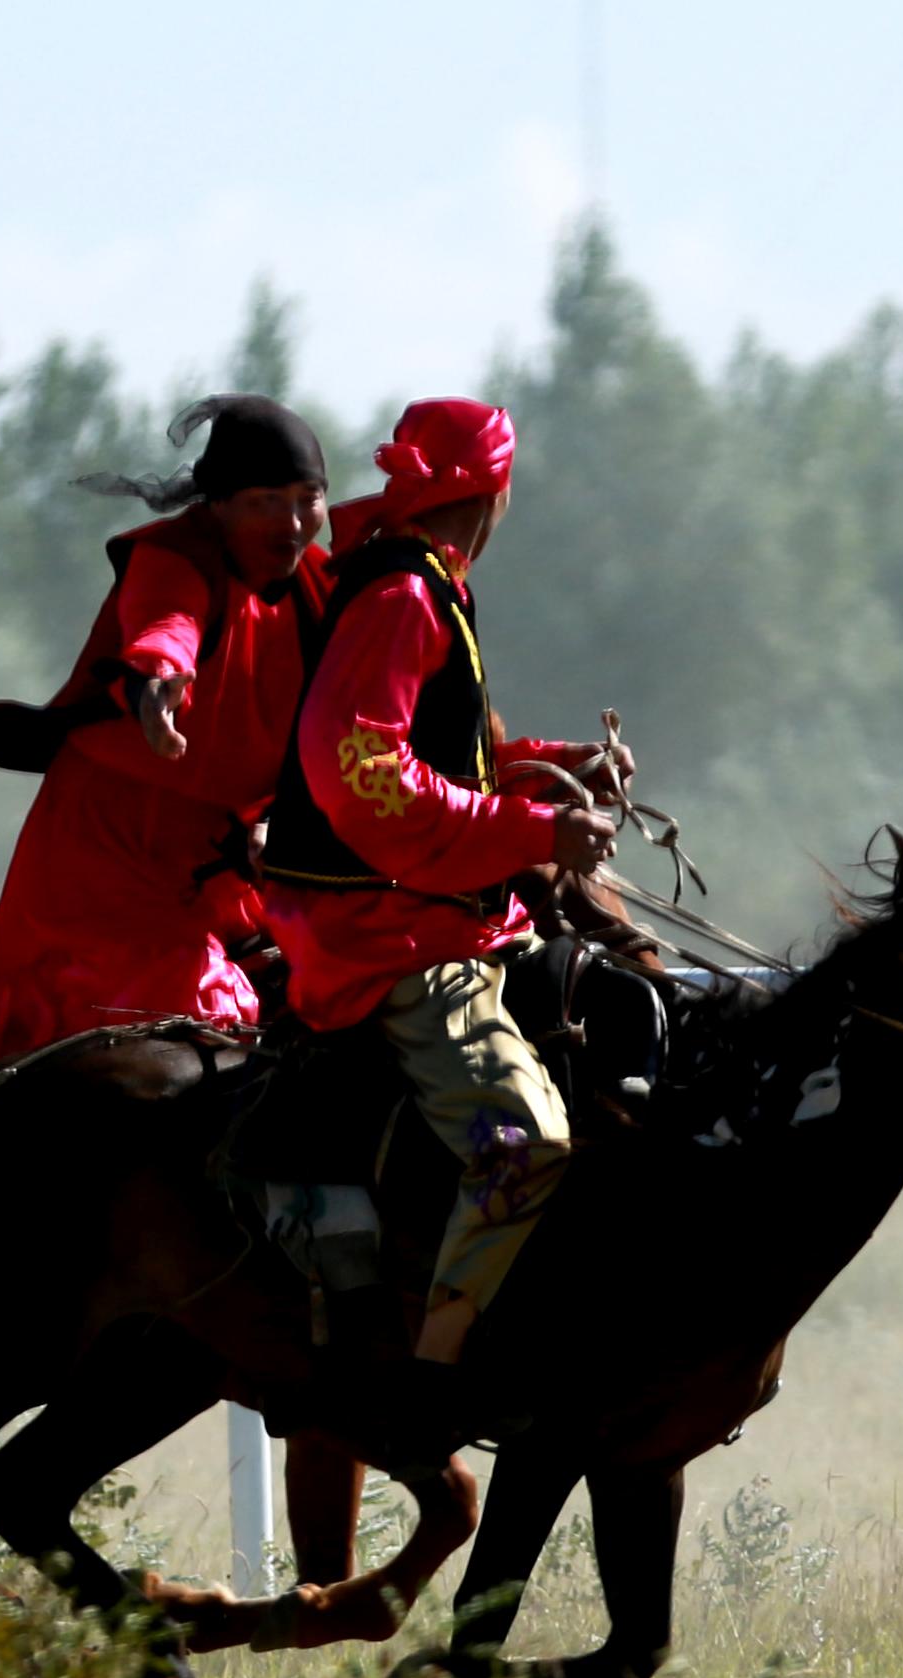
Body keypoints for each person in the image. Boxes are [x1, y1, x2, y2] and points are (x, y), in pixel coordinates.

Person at [259, 398, 620, 1399]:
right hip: (385, 931)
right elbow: (365, 774)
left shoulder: (426, 587)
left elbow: (443, 759)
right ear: (493, 494)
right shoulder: (406, 599)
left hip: (418, 906)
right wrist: (538, 834)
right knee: (530, 1143)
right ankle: (433, 1381)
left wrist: (556, 768)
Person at [0, 396, 332, 1067]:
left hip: (221, 871)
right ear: (219, 503)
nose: (291, 523)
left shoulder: (321, 588)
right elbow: (165, 625)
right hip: (108, 852)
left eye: (307, 498)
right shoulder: (177, 555)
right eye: (264, 500)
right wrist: (158, 682)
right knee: (191, 1023)